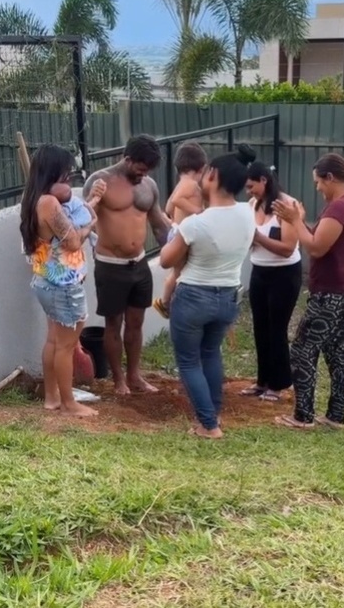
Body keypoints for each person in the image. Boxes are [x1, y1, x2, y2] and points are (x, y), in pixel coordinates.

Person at [159, 145, 257, 439]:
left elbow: (165, 260)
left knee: (189, 361)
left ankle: (209, 425)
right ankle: (212, 415)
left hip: (193, 298)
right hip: (228, 296)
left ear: (212, 175)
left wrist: (174, 235)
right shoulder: (247, 214)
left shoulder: (195, 224)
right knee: (211, 353)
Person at [271, 153, 344, 431]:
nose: (317, 188)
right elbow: (321, 239)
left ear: (330, 178)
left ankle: (303, 417)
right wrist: (301, 221)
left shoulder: (340, 208)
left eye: (318, 182)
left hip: (333, 295)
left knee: (302, 350)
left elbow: (315, 247)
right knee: (336, 350)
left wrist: (295, 221)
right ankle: (336, 416)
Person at [20, 145, 107, 417]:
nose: (69, 178)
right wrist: (90, 225)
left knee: (54, 341)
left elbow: (66, 223)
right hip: (63, 286)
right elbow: (72, 242)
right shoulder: (49, 203)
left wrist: (90, 203)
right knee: (66, 345)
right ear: (52, 173)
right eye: (65, 174)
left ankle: (52, 397)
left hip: (46, 281)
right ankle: (70, 404)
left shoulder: (34, 199)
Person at [83, 135, 171, 395]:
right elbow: (83, 219)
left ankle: (134, 376)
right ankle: (118, 380)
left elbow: (158, 224)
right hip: (111, 265)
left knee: (136, 322)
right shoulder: (100, 181)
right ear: (127, 159)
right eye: (140, 169)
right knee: (113, 323)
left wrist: (176, 250)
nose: (144, 175)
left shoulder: (149, 185)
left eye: (148, 171)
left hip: (139, 265)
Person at [240, 161, 302, 402]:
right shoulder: (252, 205)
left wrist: (256, 237)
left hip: (284, 275)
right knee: (260, 328)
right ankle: (262, 381)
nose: (248, 191)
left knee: (277, 329)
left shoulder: (287, 206)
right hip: (259, 271)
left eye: (251, 186)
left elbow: (287, 248)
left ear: (264, 181)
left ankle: (279, 384)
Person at [153, 142, 208, 319]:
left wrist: (176, 218)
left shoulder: (181, 183)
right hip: (181, 235)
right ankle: (164, 302)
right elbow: (177, 200)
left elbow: (169, 206)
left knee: (178, 271)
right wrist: (198, 210)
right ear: (202, 168)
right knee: (179, 272)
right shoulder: (191, 184)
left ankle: (168, 300)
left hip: (176, 230)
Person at [50, 182, 97, 249]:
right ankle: (92, 237)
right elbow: (85, 205)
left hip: (80, 220)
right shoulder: (75, 199)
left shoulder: (66, 205)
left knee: (69, 225)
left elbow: (64, 214)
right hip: (87, 216)